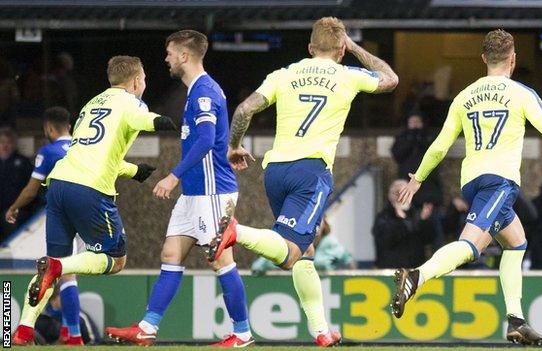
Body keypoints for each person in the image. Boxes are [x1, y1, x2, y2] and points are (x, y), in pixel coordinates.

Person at [390, 29, 542, 346]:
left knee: (516, 243)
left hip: (472, 181)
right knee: (471, 246)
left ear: (484, 58)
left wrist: (416, 179)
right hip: (500, 181)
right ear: (513, 59)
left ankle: (516, 320)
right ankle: (416, 277)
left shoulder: (464, 96)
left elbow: (439, 146)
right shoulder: (521, 93)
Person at [205, 16, 398, 347]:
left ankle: (321, 331)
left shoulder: (284, 75)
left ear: (310, 48)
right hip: (311, 172)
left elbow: (243, 111)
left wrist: (234, 146)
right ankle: (236, 231)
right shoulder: (347, 74)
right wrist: (354, 48)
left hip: (276, 171)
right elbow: (390, 78)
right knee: (292, 252)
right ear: (340, 48)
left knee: (306, 248)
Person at [11, 55, 176, 345]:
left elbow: (94, 153)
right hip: (89, 189)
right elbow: (145, 120)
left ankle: (24, 329)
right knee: (115, 259)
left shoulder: (91, 104)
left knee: (54, 261)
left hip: (59, 185)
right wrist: (168, 122)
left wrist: (134, 170)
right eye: (145, 79)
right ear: (136, 80)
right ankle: (59, 270)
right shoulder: (131, 103)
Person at [105, 30, 253, 348]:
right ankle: (147, 327)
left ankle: (242, 333)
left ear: (184, 56)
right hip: (195, 191)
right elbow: (212, 139)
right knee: (170, 253)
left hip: (212, 191)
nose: (167, 58)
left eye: (170, 52)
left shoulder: (203, 92)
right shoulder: (198, 90)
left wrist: (172, 176)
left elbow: (203, 140)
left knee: (219, 259)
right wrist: (227, 150)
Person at [373, 179, 442, 268]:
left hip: (415, 268)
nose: (401, 197)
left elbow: (428, 238)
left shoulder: (415, 213)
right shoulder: (384, 216)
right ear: (391, 195)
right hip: (391, 269)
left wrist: (424, 221)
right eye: (398, 193)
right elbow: (386, 240)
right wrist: (402, 221)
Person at [251, 217, 355, 274]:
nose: (314, 225)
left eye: (318, 221)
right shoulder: (286, 241)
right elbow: (257, 266)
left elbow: (350, 262)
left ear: (325, 224)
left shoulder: (329, 243)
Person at [391, 112, 443, 206]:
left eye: (417, 122)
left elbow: (437, 153)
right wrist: (410, 140)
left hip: (428, 180)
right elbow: (397, 154)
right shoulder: (403, 137)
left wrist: (420, 139)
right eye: (412, 122)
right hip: (406, 177)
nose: (415, 125)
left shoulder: (429, 136)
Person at [0, 127, 32, 241]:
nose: (5, 145)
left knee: (10, 222)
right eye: (2, 142)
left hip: (15, 209)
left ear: (13, 144)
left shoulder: (23, 162)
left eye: (8, 142)